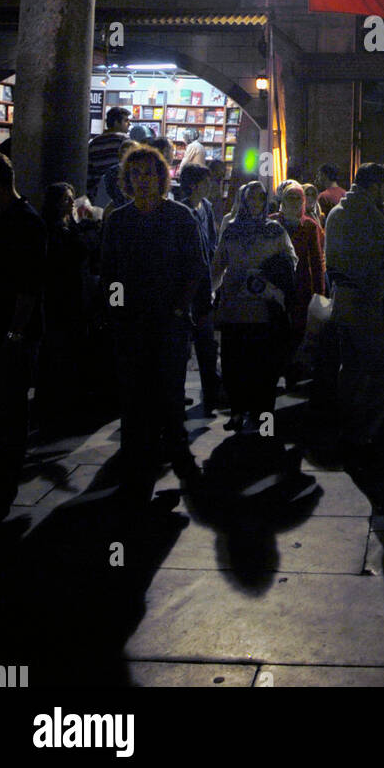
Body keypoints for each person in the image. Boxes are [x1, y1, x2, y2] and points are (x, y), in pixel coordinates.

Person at [99, 145, 207, 507]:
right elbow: (110, 274)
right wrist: (116, 313)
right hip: (131, 325)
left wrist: (179, 310)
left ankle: (180, 461)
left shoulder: (180, 217)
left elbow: (195, 268)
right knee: (133, 399)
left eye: (149, 173)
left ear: (161, 177)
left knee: (169, 396)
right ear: (126, 179)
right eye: (135, 174)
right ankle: (135, 470)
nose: (142, 180)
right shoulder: (117, 220)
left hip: (168, 324)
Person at [0, 152, 46, 523]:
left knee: (10, 406)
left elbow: (29, 286)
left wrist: (14, 331)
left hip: (10, 332)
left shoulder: (25, 223)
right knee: (4, 405)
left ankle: (5, 479)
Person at [324, 162, 384, 454]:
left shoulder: (338, 212)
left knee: (352, 369)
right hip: (366, 304)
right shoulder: (367, 215)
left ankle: (345, 428)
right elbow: (380, 259)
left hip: (342, 301)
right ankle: (363, 431)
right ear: (373, 187)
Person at [211, 182, 297, 434]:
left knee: (264, 365)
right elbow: (218, 265)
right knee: (234, 363)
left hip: (264, 308)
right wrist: (210, 293)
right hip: (236, 308)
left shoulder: (274, 230)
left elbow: (290, 260)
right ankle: (238, 411)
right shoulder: (232, 231)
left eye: (260, 198)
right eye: (251, 198)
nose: (255, 203)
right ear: (242, 200)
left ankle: (263, 416)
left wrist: (271, 275)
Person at [35, 183, 99, 433]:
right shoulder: (58, 231)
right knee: (61, 351)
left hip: (69, 298)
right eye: (67, 199)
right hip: (65, 298)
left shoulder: (61, 228)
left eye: (72, 199)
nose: (71, 204)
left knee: (61, 352)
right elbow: (79, 254)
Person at [177, 163, 222, 417]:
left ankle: (211, 392)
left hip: (204, 287)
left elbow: (211, 244)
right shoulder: (182, 212)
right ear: (193, 185)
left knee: (206, 343)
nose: (211, 186)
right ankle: (177, 392)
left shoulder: (204, 208)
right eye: (206, 181)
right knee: (184, 345)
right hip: (187, 289)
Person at [276, 180, 325, 367]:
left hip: (301, 284)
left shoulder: (310, 226)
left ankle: (293, 369)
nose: (295, 201)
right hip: (278, 283)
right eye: (290, 197)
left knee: (298, 328)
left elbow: (317, 260)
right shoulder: (273, 222)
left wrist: (319, 293)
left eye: (299, 198)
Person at [87, 105, 132, 202]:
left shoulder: (94, 142)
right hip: (118, 194)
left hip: (97, 195)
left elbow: (89, 173)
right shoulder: (124, 140)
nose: (129, 123)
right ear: (116, 122)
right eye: (126, 120)